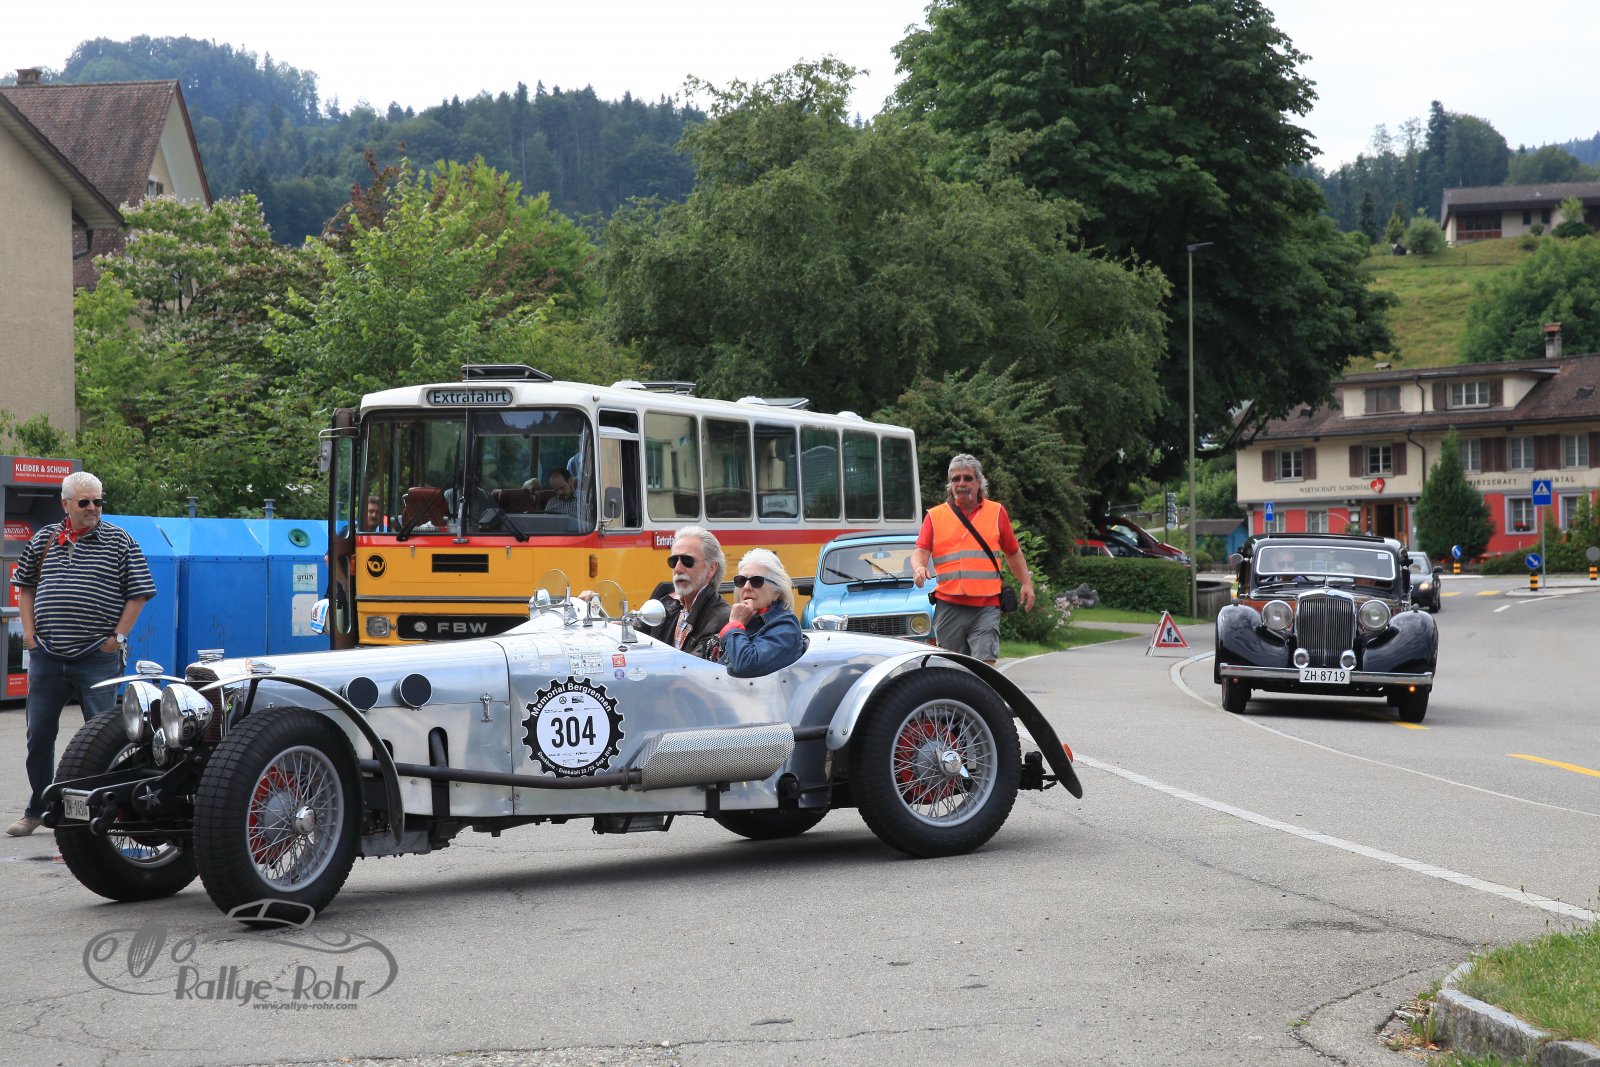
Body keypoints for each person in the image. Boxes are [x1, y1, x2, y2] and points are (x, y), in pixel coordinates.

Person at [7, 472, 156, 837]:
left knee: (102, 739)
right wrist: (29, 635)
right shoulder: (44, 538)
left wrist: (116, 638)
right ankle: (38, 809)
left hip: (97, 657)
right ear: (65, 504)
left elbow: (139, 592)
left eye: (98, 501)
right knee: (38, 737)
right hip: (47, 656)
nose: (93, 508)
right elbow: (25, 586)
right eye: (85, 502)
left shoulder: (120, 541)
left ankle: (98, 812)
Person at [911, 453, 1035, 665]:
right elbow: (920, 551)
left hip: (986, 605)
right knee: (952, 668)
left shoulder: (996, 512)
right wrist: (919, 568)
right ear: (950, 484)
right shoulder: (935, 516)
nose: (961, 483)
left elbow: (1013, 551)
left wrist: (1026, 583)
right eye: (955, 479)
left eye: (967, 478)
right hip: (949, 605)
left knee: (985, 667)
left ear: (979, 482)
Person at [638, 525, 731, 660]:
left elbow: (691, 667)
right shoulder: (667, 604)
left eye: (688, 561)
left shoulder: (721, 619)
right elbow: (631, 631)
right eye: (673, 561)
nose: (678, 569)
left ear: (711, 568)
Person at [718, 548, 803, 678]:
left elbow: (747, 665)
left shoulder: (785, 626)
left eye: (756, 581)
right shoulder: (745, 619)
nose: (746, 587)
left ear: (776, 593)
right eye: (741, 580)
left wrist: (734, 626)